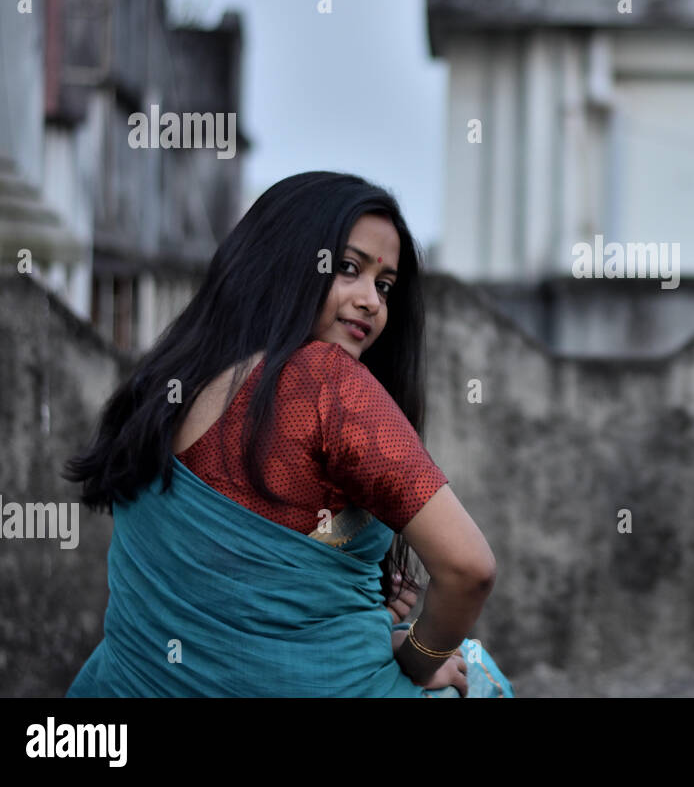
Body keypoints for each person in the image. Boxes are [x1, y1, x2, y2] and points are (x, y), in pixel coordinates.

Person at [63, 172, 513, 697]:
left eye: (384, 285)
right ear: (284, 262)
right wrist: (420, 656)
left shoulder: (162, 385)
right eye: (348, 268)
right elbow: (469, 568)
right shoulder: (323, 383)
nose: (371, 300)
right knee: (477, 672)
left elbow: (239, 583)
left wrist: (342, 598)